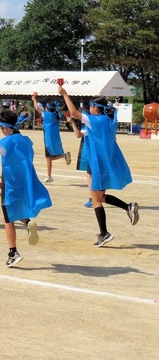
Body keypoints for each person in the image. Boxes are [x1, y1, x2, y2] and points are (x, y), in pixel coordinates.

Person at [0, 110, 53, 267]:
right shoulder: (25, 140)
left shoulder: (5, 143)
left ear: (6, 128)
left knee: (8, 218)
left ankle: (13, 252)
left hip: (11, 182)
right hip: (23, 180)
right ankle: (27, 223)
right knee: (14, 210)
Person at [58, 86, 138, 247]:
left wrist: (64, 94)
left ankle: (104, 233)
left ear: (96, 108)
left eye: (91, 107)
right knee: (98, 197)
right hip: (97, 164)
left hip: (98, 164)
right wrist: (73, 122)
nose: (90, 109)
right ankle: (127, 207)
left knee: (96, 200)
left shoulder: (95, 120)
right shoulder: (106, 121)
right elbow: (79, 135)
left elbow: (74, 112)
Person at [31, 93, 71, 183]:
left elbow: (37, 108)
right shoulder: (55, 115)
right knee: (49, 158)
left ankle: (49, 176)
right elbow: (47, 126)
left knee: (48, 158)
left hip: (48, 139)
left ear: (47, 108)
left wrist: (34, 99)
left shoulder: (48, 115)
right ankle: (62, 157)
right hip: (54, 137)